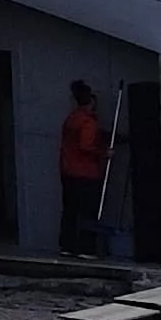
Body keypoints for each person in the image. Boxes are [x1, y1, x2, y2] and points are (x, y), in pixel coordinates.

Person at [59, 80, 112, 261]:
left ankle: (67, 245)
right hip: (86, 173)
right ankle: (86, 247)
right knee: (88, 211)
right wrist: (104, 153)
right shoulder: (88, 122)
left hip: (68, 171)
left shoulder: (71, 119)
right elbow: (86, 145)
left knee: (70, 210)